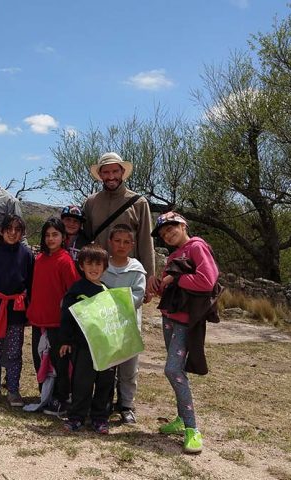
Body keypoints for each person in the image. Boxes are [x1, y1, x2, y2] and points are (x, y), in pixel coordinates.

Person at [149, 212, 219, 454]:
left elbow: (207, 281)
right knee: (176, 370)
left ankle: (192, 428)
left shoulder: (196, 247)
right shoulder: (174, 255)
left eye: (171, 228)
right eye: (163, 233)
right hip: (170, 317)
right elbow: (174, 289)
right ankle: (181, 419)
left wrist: (175, 279)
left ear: (183, 225)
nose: (167, 234)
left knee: (173, 369)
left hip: (185, 322)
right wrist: (161, 286)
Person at [59, 244, 115, 434]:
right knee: (82, 383)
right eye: (89, 263)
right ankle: (76, 418)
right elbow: (66, 316)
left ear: (105, 267)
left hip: (106, 349)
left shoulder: (109, 291)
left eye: (98, 264)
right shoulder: (77, 289)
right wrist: (66, 340)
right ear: (81, 266)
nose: (94, 268)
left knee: (105, 383)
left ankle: (100, 418)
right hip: (84, 346)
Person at [0, 214, 34, 407]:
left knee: (13, 353)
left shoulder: (27, 254)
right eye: (8, 229)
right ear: (1, 231)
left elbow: (31, 284)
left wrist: (29, 312)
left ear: (21, 233)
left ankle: (13, 391)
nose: (12, 233)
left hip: (17, 310)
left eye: (17, 230)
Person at [26, 218, 79, 416]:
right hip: (38, 321)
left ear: (63, 237)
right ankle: (46, 396)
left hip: (58, 323)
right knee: (40, 361)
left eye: (55, 234)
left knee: (60, 365)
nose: (50, 239)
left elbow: (73, 292)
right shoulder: (39, 259)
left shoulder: (65, 261)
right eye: (47, 235)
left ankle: (62, 399)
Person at [81, 152, 155, 293]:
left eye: (115, 171)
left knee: (128, 314)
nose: (111, 176)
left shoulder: (139, 202)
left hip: (128, 275)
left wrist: (149, 276)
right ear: (100, 175)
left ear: (122, 172)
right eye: (106, 172)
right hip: (98, 274)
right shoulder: (90, 202)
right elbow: (85, 239)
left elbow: (146, 241)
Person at [100, 224, 147, 424]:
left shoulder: (137, 270)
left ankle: (126, 405)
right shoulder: (101, 266)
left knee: (129, 368)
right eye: (117, 241)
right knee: (108, 367)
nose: (121, 245)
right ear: (110, 242)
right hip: (106, 327)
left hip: (129, 328)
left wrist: (114, 301)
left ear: (132, 245)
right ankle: (105, 402)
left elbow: (138, 296)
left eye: (126, 242)